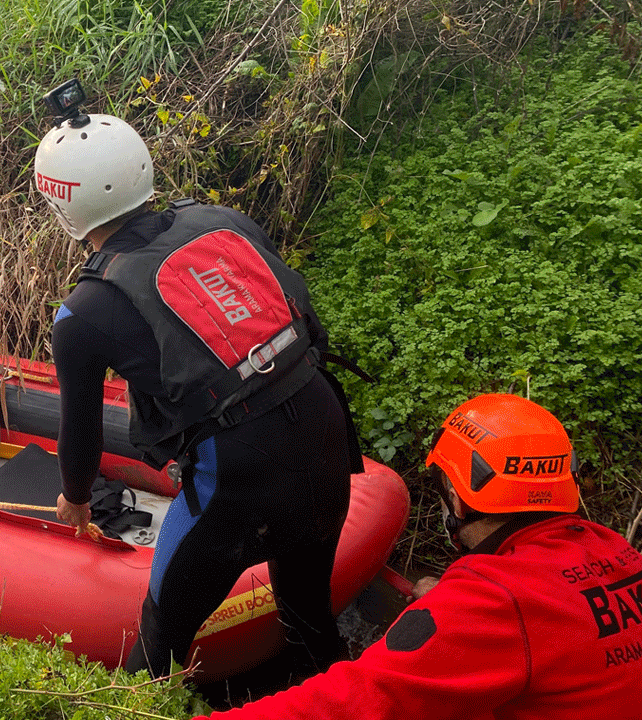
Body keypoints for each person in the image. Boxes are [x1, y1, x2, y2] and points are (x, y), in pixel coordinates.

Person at [35, 107, 361, 680]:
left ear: (64, 204)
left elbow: (80, 432)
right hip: (323, 419)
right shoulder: (222, 220)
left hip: (237, 475)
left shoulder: (82, 314)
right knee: (309, 614)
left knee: (158, 647)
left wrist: (77, 500)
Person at [191, 393, 642, 718]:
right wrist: (448, 592)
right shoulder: (615, 551)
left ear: (458, 498)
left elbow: (352, 700)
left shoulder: (492, 605)